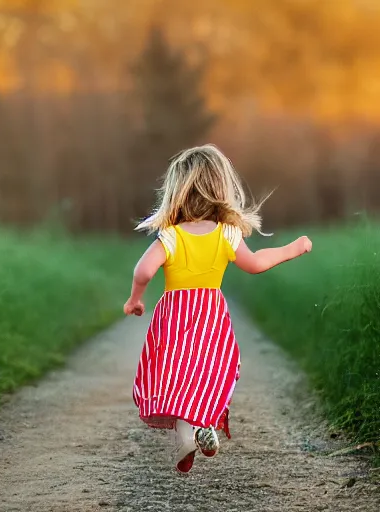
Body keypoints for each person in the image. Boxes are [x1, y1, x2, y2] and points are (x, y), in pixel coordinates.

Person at [123, 144, 312, 473]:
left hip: (174, 316)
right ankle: (202, 422)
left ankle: (186, 433)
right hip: (211, 316)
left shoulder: (170, 237)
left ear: (176, 192)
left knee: (176, 377)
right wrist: (291, 249)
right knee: (208, 373)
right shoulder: (226, 233)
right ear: (221, 188)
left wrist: (135, 299)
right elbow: (254, 263)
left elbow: (143, 271)